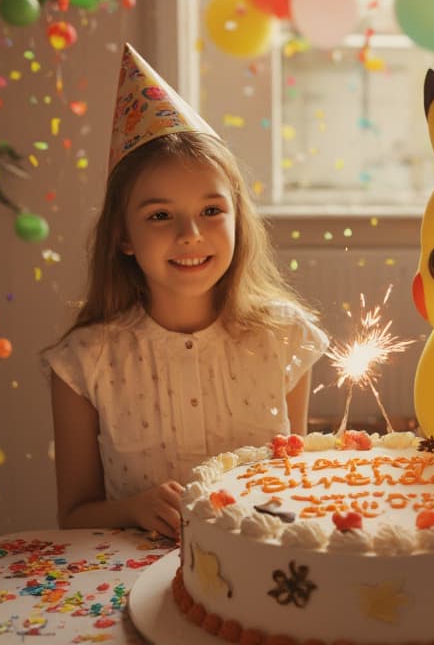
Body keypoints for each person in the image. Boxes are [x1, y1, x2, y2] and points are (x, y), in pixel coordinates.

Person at [43, 44, 328, 539]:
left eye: (212, 211)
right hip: (134, 577)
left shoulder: (285, 338)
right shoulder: (84, 364)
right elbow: (73, 515)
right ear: (123, 236)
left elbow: (292, 479)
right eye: (160, 216)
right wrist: (134, 508)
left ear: (239, 219)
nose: (191, 234)